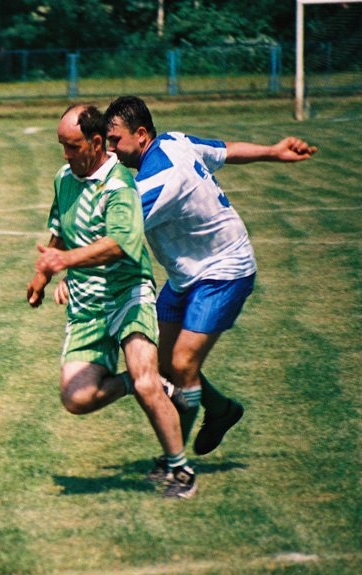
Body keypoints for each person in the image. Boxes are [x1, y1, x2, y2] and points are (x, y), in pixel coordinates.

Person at [103, 96, 317, 476]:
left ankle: (175, 461)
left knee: (183, 363)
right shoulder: (174, 141)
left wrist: (68, 261)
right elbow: (226, 150)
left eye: (115, 140)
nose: (110, 148)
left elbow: (119, 236)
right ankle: (220, 410)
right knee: (164, 364)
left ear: (140, 135)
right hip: (187, 275)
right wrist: (273, 151)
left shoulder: (159, 181)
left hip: (225, 270)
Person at [27, 104, 196, 498]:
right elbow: (58, 226)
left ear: (97, 141)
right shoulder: (64, 179)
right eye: (61, 146)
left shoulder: (120, 186)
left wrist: (65, 261)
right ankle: (150, 383)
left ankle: (180, 470)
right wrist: (42, 274)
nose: (66, 155)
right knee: (76, 398)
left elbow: (122, 244)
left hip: (128, 294)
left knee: (144, 378)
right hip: (87, 305)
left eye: (72, 146)